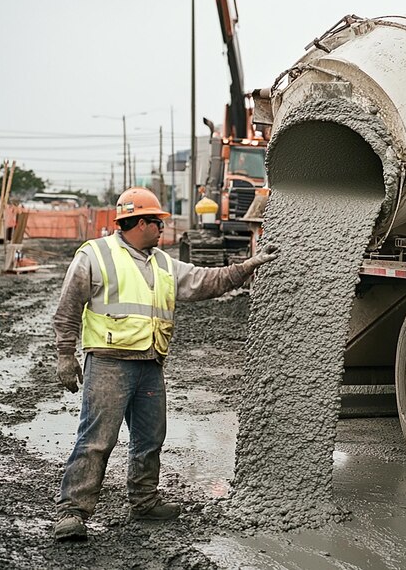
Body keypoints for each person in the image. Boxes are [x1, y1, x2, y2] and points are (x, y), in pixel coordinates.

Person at [52, 187, 277, 542]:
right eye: (158, 222)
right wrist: (66, 355)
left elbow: (206, 282)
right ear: (139, 222)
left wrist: (248, 266)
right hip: (110, 363)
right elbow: (66, 311)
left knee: (150, 438)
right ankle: (72, 512)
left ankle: (144, 501)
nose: (162, 229)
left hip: (150, 362)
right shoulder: (95, 255)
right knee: (96, 440)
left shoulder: (162, 262)